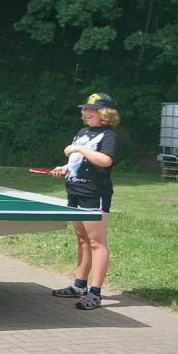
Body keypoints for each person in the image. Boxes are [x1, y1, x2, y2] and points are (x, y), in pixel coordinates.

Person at [49, 92, 120, 310]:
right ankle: (79, 286)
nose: (87, 112)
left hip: (94, 193)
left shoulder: (109, 135)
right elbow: (79, 160)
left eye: (93, 110)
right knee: (82, 240)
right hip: (75, 190)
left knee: (97, 242)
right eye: (86, 109)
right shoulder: (83, 132)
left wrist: (80, 148)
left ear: (105, 114)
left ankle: (95, 293)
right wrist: (65, 168)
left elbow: (105, 160)